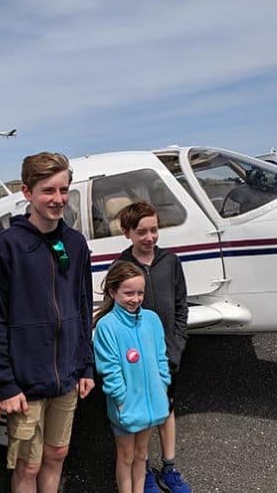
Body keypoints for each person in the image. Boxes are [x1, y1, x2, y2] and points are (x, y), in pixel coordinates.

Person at [0, 151, 95, 493]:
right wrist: (6, 383)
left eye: (63, 190)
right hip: (25, 382)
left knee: (58, 452)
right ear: (28, 193)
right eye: (48, 191)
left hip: (67, 376)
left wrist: (86, 366)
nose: (58, 199)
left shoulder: (75, 244)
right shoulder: (8, 246)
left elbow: (84, 306)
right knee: (28, 464)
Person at [116, 201, 192, 493]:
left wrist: (177, 346)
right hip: (137, 360)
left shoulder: (170, 261)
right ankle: (143, 470)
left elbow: (181, 306)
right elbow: (117, 312)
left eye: (154, 230)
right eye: (141, 232)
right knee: (141, 415)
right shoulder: (122, 266)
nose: (149, 237)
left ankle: (169, 468)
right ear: (128, 234)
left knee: (166, 409)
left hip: (166, 355)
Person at [94, 261, 171, 493]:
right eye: (128, 293)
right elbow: (110, 369)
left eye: (140, 293)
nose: (135, 299)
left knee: (141, 455)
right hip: (126, 409)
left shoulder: (152, 319)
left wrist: (163, 386)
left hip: (150, 407)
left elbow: (161, 358)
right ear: (112, 291)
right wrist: (121, 400)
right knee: (126, 457)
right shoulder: (107, 326)